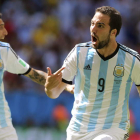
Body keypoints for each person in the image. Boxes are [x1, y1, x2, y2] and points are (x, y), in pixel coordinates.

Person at [45, 6, 140, 140]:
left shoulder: (131, 59)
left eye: (100, 26)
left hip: (113, 129)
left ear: (113, 32)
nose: (93, 29)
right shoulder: (79, 53)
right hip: (78, 129)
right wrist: (49, 87)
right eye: (92, 24)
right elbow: (54, 92)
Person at [0, 13, 74, 140]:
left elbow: (32, 73)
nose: (6, 32)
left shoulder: (4, 51)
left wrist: (65, 85)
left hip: (3, 127)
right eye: (1, 27)